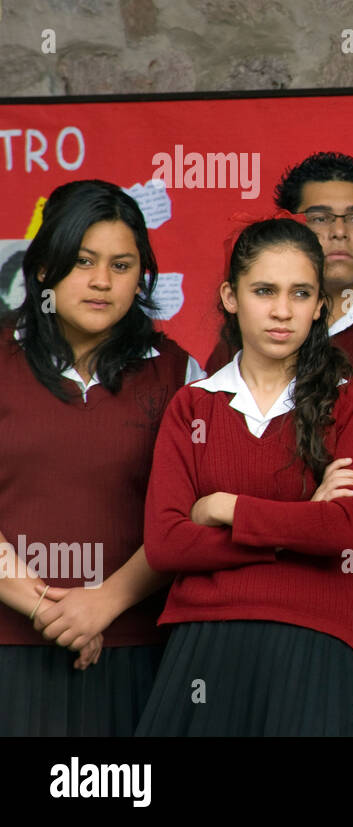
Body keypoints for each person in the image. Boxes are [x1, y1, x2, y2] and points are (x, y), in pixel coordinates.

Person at [207, 152, 353, 737]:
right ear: (291, 225)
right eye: (320, 216)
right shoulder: (232, 350)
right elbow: (206, 494)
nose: (339, 231)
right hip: (242, 614)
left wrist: (308, 570)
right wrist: (299, 534)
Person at [137, 217, 353, 736]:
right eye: (264, 290)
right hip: (203, 646)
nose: (281, 311)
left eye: (300, 293)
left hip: (316, 640)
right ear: (231, 296)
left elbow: (342, 531)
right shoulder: (193, 406)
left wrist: (226, 509)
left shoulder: (350, 401)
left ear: (321, 305)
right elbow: (165, 545)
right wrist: (297, 526)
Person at [0, 179, 202, 736]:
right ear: (44, 267)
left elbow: (194, 514)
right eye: (83, 261)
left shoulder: (180, 374)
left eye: (121, 265)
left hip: (138, 650)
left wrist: (105, 603)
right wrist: (49, 608)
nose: (100, 282)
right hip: (8, 645)